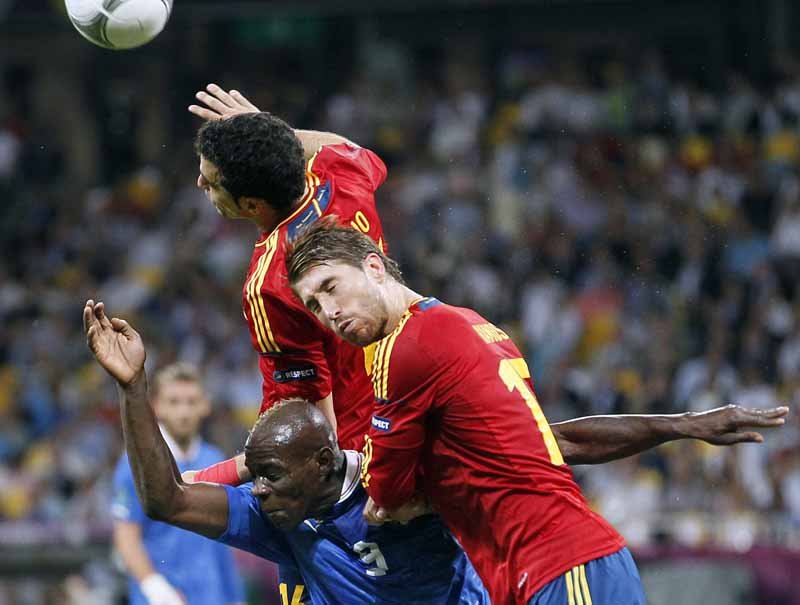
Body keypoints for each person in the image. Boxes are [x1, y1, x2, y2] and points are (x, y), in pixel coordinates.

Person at [286, 221, 790, 605]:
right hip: (556, 567)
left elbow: (385, 494)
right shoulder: (474, 327)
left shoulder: (406, 350)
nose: (329, 313)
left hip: (558, 564)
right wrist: (681, 425)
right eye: (313, 305)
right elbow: (552, 442)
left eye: (331, 287)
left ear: (375, 267)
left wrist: (405, 491)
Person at [111, 362, 245, 605]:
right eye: (174, 402)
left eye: (191, 401)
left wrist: (235, 598)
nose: (184, 412)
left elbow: (224, 542)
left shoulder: (215, 460)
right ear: (157, 406)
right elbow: (126, 536)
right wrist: (154, 587)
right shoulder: (137, 463)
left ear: (205, 405)